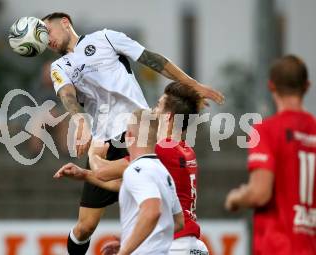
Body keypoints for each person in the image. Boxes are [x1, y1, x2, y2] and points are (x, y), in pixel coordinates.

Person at [41, 12, 224, 254]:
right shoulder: (59, 67)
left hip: (140, 132)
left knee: (151, 201)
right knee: (85, 226)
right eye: (41, 37)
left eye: (48, 32)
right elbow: (66, 94)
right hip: (103, 140)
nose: (47, 40)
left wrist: (192, 84)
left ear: (65, 22)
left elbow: (151, 59)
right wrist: (80, 120)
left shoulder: (105, 37)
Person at [71, 82, 209, 254]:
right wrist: (83, 174)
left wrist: (94, 150)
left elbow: (103, 171)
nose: (152, 110)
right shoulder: (185, 150)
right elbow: (125, 183)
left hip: (174, 247)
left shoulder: (162, 150)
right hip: (190, 245)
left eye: (158, 106)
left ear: (168, 117)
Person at [55, 109, 185, 255]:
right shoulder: (163, 171)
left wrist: (124, 251)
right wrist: (130, 240)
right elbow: (179, 222)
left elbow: (152, 212)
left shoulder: (136, 170)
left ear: (128, 136)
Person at [225, 55, 316, 255]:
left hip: (278, 247)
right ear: (307, 86)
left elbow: (260, 192)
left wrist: (237, 198)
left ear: (271, 86)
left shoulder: (265, 130)